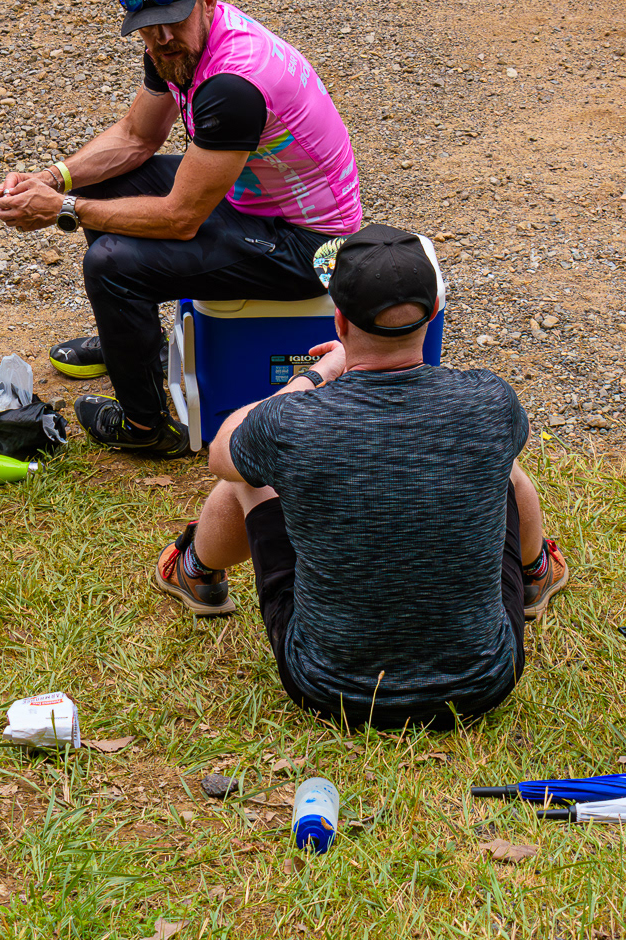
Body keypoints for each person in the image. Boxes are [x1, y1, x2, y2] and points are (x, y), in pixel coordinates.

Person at [149, 225, 569, 730]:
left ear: (340, 319)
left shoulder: (292, 424)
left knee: (246, 473)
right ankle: (537, 571)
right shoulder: (489, 401)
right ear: (433, 313)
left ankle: (196, 573)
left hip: (329, 687)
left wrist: (318, 375)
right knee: (503, 464)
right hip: (483, 683)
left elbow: (221, 450)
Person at [0, 0, 363, 459]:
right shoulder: (176, 50)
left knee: (109, 265)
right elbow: (137, 138)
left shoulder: (232, 82)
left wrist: (62, 212)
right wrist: (55, 180)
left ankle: (146, 428)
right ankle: (136, 346)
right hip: (253, 203)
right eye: (148, 25)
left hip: (310, 248)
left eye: (174, 21)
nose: (163, 39)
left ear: (209, 0)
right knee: (96, 185)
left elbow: (182, 218)